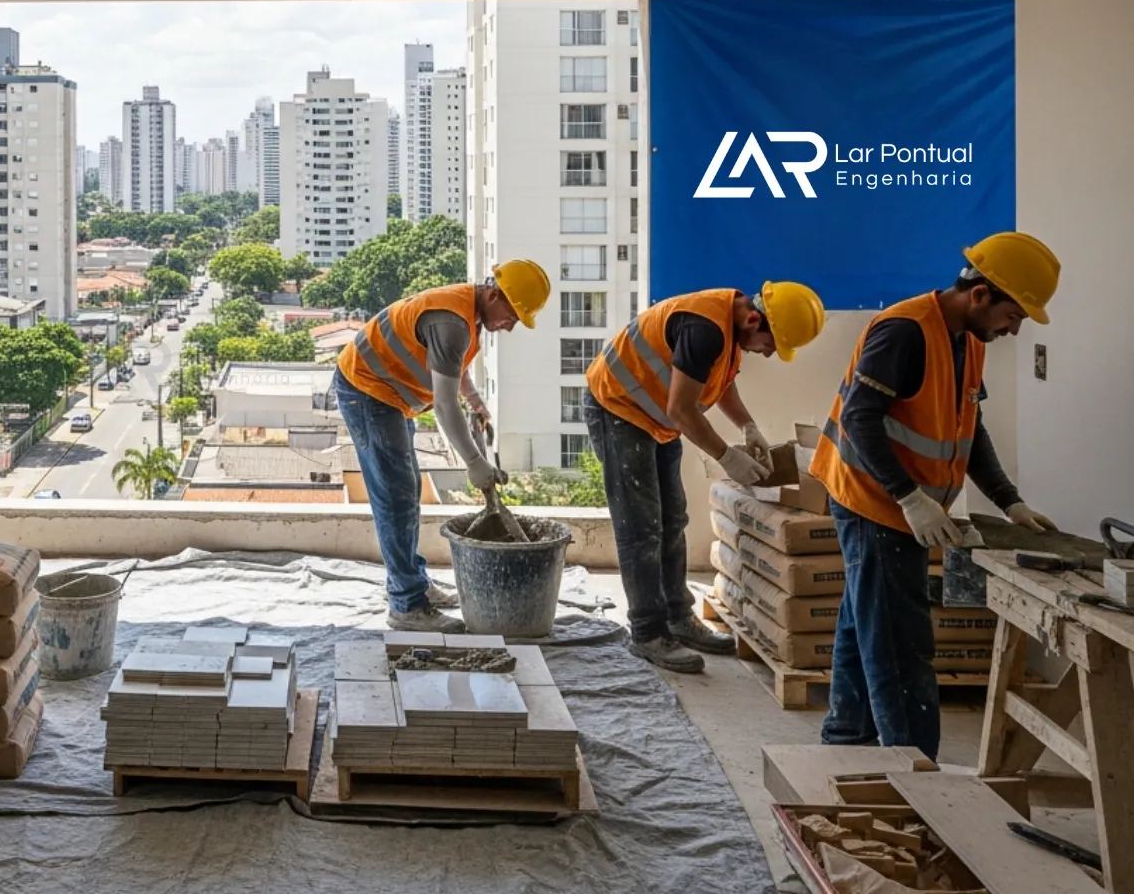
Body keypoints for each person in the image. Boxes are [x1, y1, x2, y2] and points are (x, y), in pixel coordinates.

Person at [810, 233, 1059, 759]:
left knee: (866, 624)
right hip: (874, 500)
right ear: (980, 295)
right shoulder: (905, 332)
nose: (1015, 329)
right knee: (902, 648)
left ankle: (847, 742)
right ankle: (917, 777)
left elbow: (971, 424)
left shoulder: (968, 340)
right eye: (1014, 315)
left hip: (901, 503)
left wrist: (1008, 500)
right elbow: (859, 417)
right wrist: (910, 499)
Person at [585, 282, 827, 673]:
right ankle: (647, 633)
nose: (768, 352)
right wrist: (727, 457)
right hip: (619, 407)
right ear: (754, 319)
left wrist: (747, 425)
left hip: (654, 418)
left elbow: (716, 379)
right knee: (642, 527)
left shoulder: (729, 325)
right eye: (771, 343)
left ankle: (678, 618)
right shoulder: (705, 328)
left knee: (673, 519)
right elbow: (682, 409)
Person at [333, 261, 552, 633]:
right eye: (513, 315)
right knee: (397, 496)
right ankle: (406, 604)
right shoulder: (451, 322)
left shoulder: (467, 312)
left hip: (388, 394)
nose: (512, 325)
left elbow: (450, 367)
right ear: (495, 295)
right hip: (368, 391)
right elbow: (444, 404)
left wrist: (476, 400)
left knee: (406, 490)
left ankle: (412, 583)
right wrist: (474, 461)